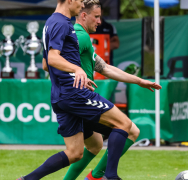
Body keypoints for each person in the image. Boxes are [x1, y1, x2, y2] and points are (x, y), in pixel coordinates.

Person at [16, 0, 142, 179]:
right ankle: (108, 176)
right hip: (74, 93)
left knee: (76, 152)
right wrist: (77, 71)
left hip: (61, 95)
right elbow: (52, 59)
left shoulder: (53, 22)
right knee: (124, 125)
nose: (81, 4)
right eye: (80, 1)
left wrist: (73, 72)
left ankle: (28, 179)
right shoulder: (64, 24)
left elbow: (46, 63)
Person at [61, 1, 162, 180]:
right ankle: (106, 176)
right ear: (84, 15)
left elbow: (106, 68)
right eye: (97, 17)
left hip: (76, 99)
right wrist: (75, 75)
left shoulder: (84, 38)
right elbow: (55, 59)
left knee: (95, 145)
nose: (100, 21)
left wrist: (139, 81)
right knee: (127, 128)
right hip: (78, 99)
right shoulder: (79, 35)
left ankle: (94, 177)